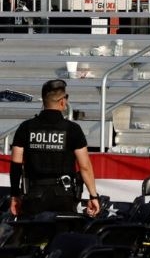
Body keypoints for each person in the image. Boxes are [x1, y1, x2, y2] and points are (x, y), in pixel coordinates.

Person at [9, 79, 101, 218]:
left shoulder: (25, 127)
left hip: (34, 196)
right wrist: (93, 196)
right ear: (63, 101)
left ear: (43, 102)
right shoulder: (72, 129)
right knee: (62, 238)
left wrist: (15, 195)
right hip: (64, 196)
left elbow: (15, 165)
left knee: (33, 238)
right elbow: (85, 166)